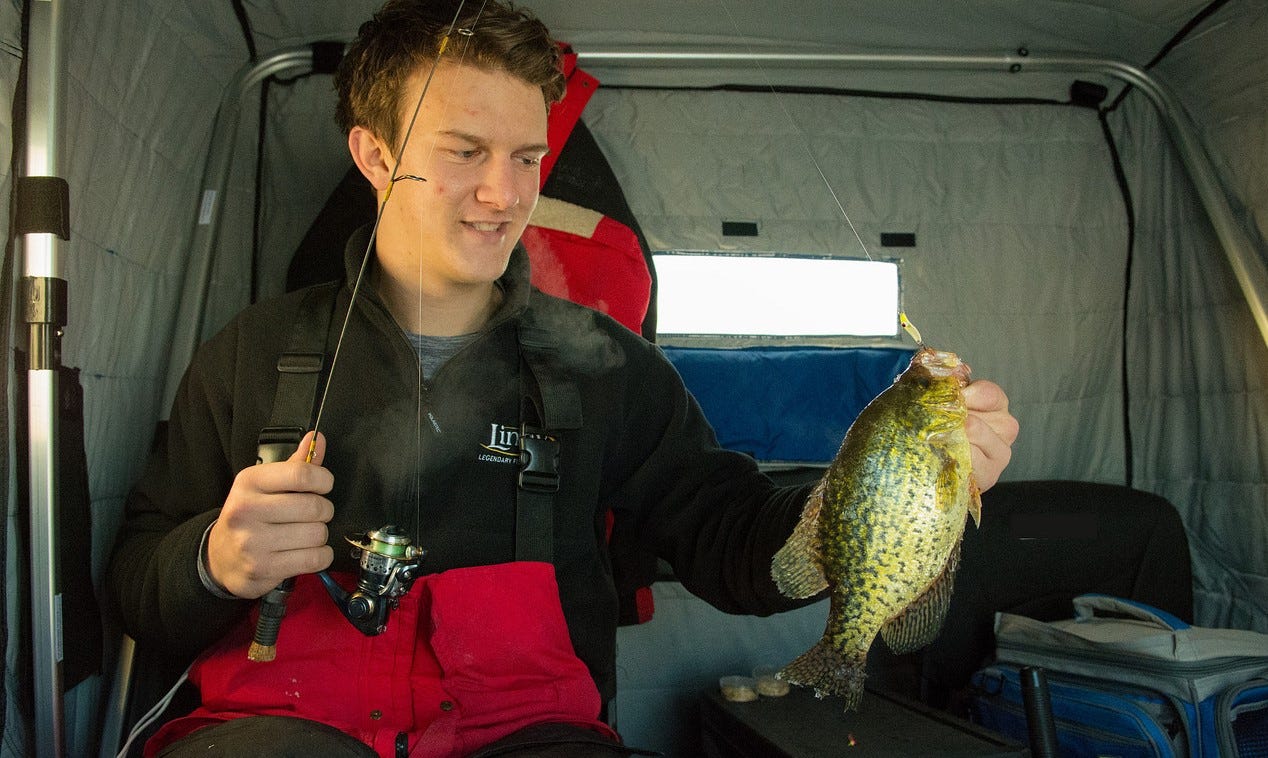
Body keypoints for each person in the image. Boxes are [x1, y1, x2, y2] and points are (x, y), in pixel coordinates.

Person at [107, 1, 1019, 756]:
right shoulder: (254, 351)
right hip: (282, 725)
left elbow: (734, 541)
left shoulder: (609, 366)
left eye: (527, 158)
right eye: (466, 150)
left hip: (529, 729)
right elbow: (134, 587)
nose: (506, 195)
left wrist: (887, 502)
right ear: (376, 155)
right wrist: (212, 563)